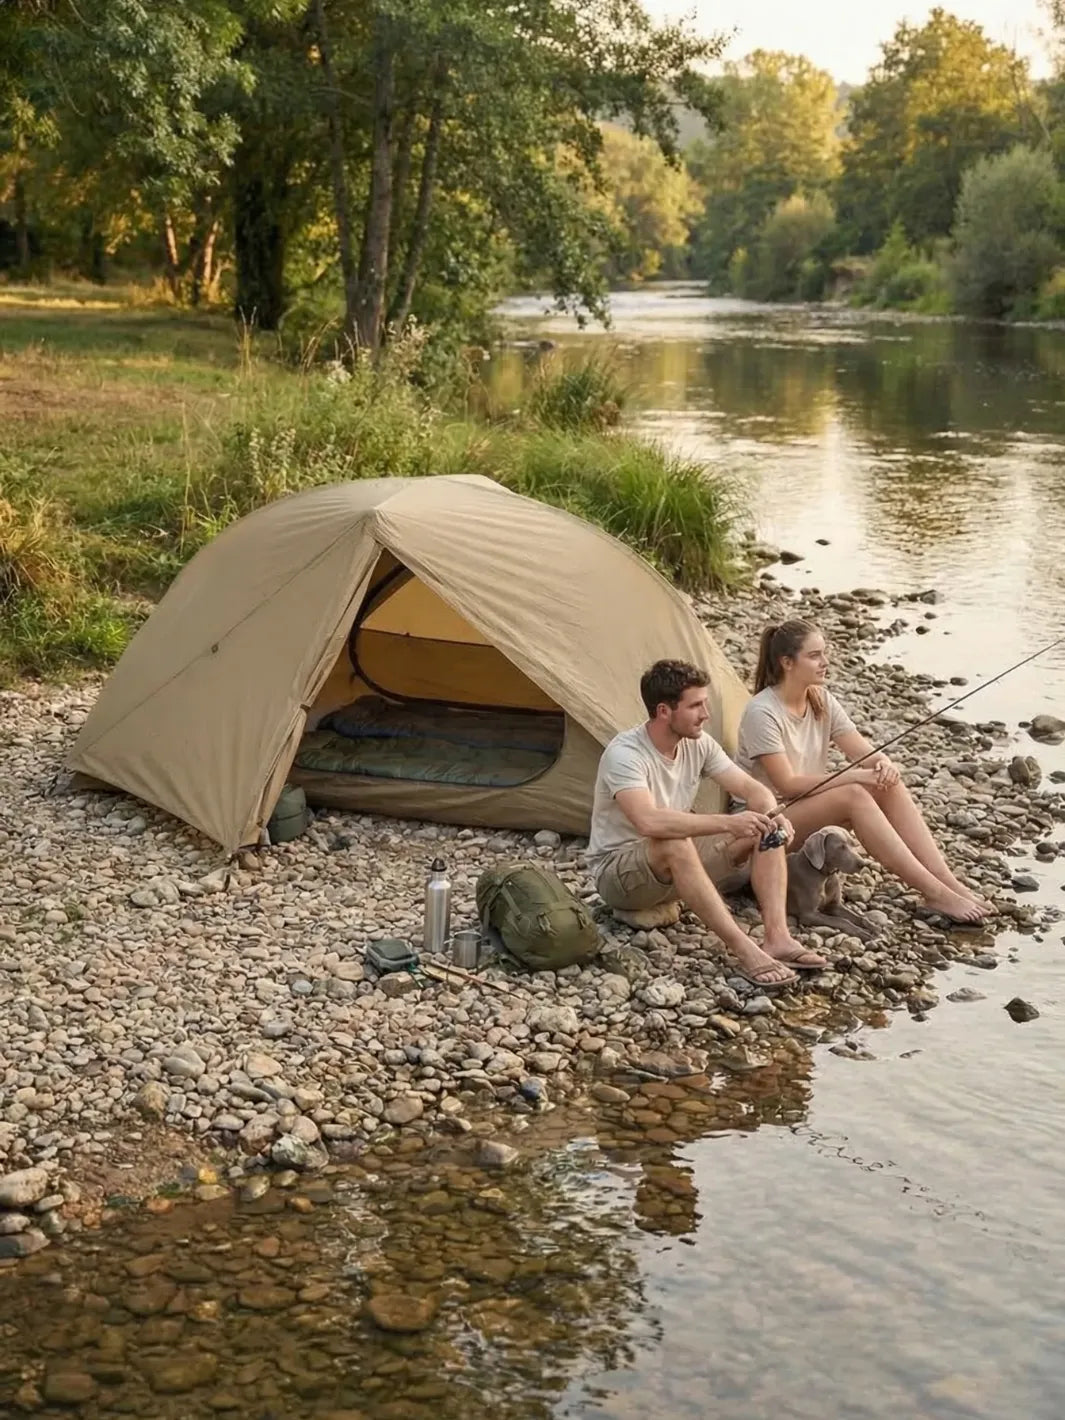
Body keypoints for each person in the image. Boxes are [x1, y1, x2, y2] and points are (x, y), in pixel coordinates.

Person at [586, 658, 829, 989]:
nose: (706, 714)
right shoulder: (625, 754)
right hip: (620, 874)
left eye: (705, 703)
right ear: (663, 712)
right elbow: (649, 821)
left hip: (675, 866)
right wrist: (728, 824)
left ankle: (778, 939)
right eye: (696, 705)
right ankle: (746, 952)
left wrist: (771, 813)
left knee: (764, 826)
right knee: (674, 840)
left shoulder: (697, 743)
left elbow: (751, 789)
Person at [735, 620, 991, 925]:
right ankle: (933, 891)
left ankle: (948, 883)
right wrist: (855, 775)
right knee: (854, 794)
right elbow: (787, 785)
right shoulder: (762, 711)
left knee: (886, 784)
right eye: (815, 655)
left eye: (824, 653)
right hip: (764, 826)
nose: (825, 662)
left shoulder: (821, 699)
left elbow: (864, 753)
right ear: (787, 663)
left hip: (800, 813)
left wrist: (884, 765)